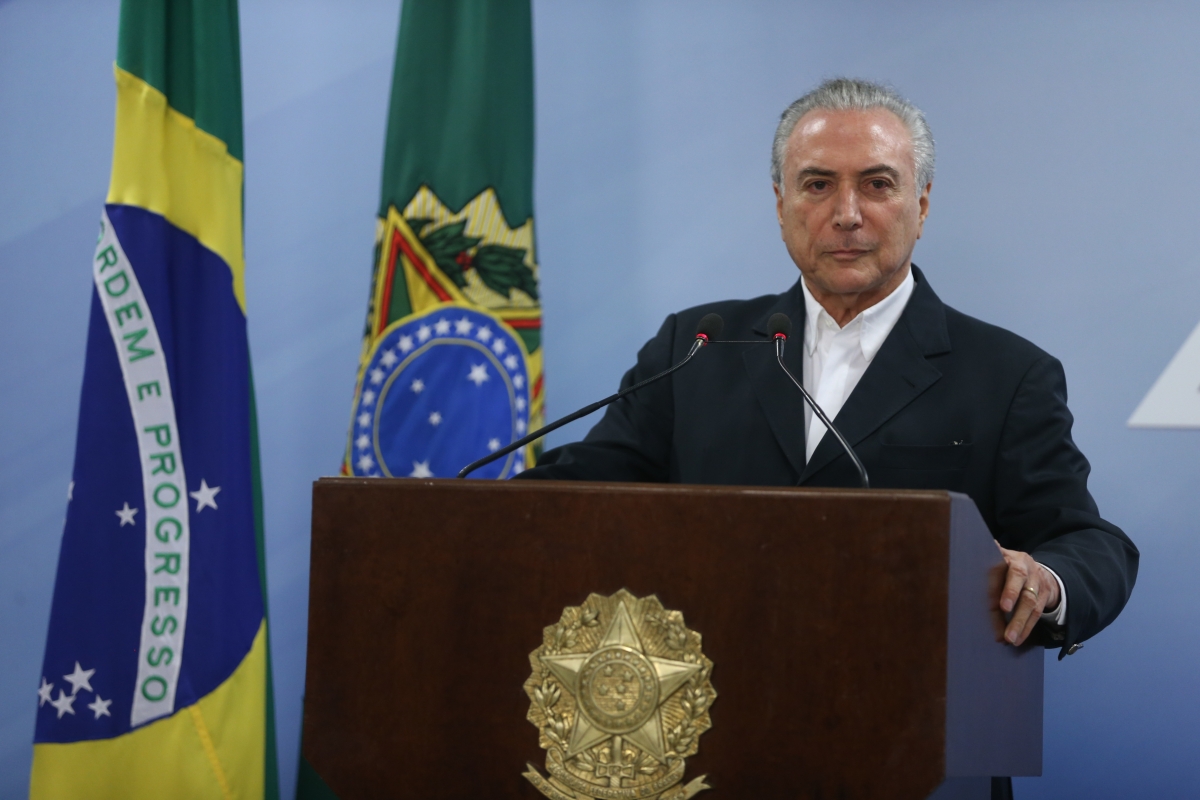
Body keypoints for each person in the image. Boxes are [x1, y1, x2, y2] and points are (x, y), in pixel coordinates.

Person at [517, 78, 1138, 798]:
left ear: (922, 204)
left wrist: (1047, 579)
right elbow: (574, 496)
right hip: (704, 752)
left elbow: (1089, 543)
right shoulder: (698, 346)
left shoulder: (1007, 373)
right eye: (817, 184)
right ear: (780, 203)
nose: (847, 214)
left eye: (877, 184)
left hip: (916, 757)